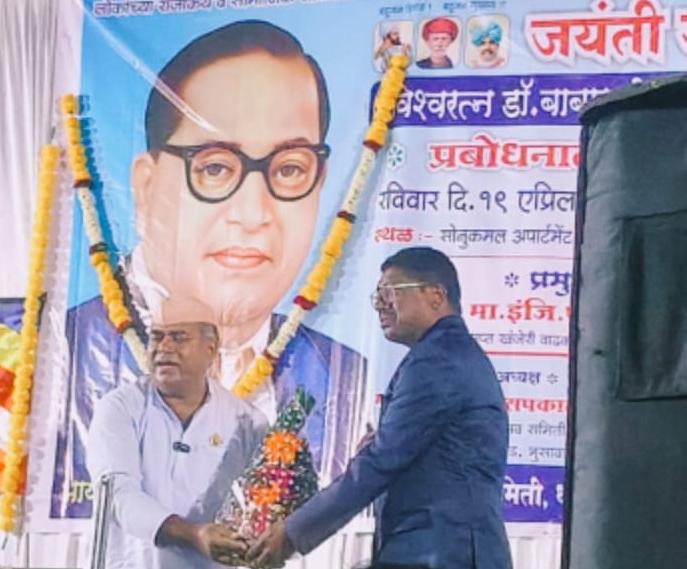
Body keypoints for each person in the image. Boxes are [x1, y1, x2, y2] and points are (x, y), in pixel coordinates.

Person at [54, 20, 366, 519]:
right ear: (146, 187)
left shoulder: (346, 377)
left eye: (290, 169)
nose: (253, 213)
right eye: (215, 167)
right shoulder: (60, 358)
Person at [247, 247, 512, 569]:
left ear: (435, 296)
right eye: (377, 297)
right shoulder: (445, 353)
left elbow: (383, 459)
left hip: (442, 550)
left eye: (390, 292)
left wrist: (292, 532)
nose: (380, 305)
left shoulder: (438, 359)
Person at [86, 297, 267, 568]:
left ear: (211, 349)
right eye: (156, 337)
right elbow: (117, 495)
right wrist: (194, 534)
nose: (164, 347)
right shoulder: (120, 408)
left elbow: (260, 505)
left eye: (179, 338)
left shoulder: (247, 421)